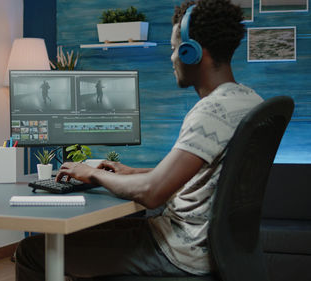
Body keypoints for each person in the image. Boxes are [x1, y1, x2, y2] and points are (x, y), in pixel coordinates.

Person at [15, 0, 264, 279]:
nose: (172, 59)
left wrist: (90, 173)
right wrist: (132, 172)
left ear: (191, 52)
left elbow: (151, 193)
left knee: (32, 250)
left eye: (173, 49)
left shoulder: (211, 111)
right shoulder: (247, 100)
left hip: (177, 251)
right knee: (80, 236)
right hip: (211, 247)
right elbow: (206, 173)